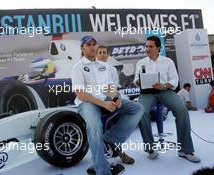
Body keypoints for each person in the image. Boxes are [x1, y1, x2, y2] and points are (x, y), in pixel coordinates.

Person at [71, 35, 144, 175]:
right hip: (87, 102)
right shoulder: (77, 67)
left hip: (105, 99)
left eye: (94, 44)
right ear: (82, 48)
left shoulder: (104, 66)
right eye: (88, 45)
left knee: (137, 108)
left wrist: (115, 97)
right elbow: (80, 94)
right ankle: (102, 170)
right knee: (95, 126)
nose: (92, 47)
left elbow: (110, 87)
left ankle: (109, 141)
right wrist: (103, 103)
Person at [134, 35, 201, 163]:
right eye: (146, 46)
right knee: (141, 112)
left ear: (158, 48)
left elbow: (174, 80)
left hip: (165, 91)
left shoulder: (168, 61)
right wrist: (138, 82)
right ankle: (150, 148)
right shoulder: (141, 63)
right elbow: (136, 79)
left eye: (151, 46)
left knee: (181, 110)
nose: (147, 49)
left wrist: (164, 85)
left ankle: (185, 150)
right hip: (147, 92)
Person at [95, 44, 135, 164]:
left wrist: (115, 98)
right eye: (100, 52)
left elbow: (114, 88)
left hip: (109, 99)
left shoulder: (112, 69)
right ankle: (103, 157)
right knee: (100, 127)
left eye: (104, 52)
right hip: (95, 101)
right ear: (96, 55)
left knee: (115, 122)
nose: (102, 55)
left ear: (108, 55)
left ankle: (119, 152)